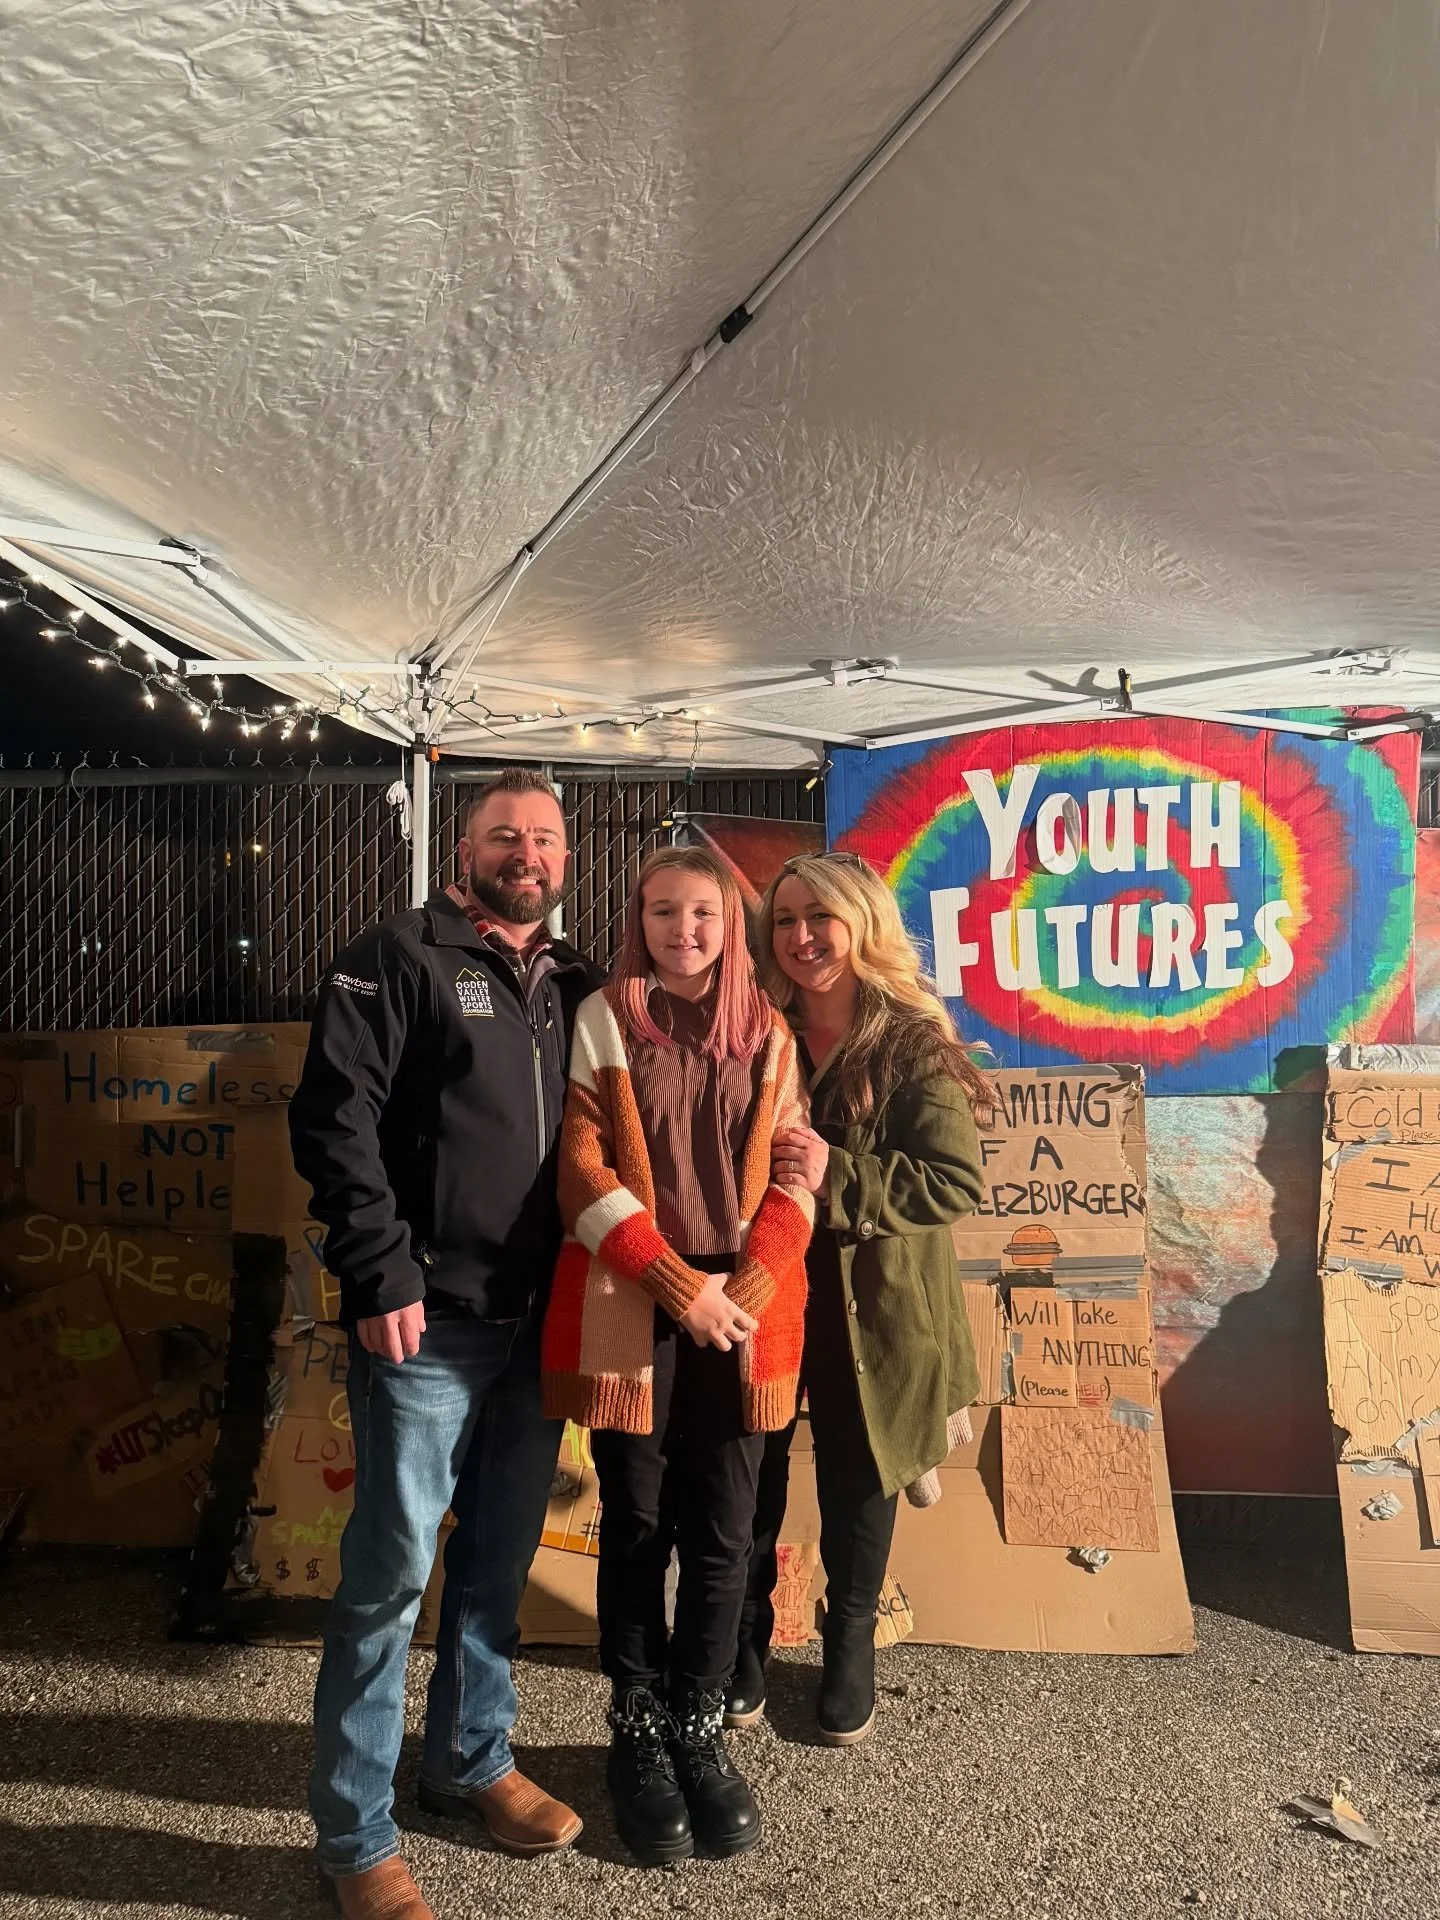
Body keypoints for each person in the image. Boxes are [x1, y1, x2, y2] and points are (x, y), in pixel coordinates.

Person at [289, 767, 602, 1920]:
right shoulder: (398, 956)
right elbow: (334, 1120)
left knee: (496, 1563)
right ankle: (354, 1837)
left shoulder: (579, 980)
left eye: (546, 839)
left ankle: (471, 1761)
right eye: (503, 834)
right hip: (425, 1324)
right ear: (462, 849)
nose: (527, 853)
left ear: (568, 861)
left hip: (543, 1321)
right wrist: (379, 1271)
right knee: (388, 1578)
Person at [540, 846, 814, 1866]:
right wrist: (677, 1287)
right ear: (639, 918)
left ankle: (701, 1729)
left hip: (746, 1313)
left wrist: (734, 1295)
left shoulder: (773, 1035)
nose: (682, 929)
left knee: (727, 1527)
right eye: (663, 911)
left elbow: (796, 1180)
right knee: (639, 1521)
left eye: (702, 912)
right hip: (634, 1295)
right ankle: (637, 1728)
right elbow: (580, 1171)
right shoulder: (605, 1018)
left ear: (728, 924)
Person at [729, 851, 992, 1747]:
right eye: (786, 920)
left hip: (873, 1307)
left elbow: (954, 1181)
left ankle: (850, 1643)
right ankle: (745, 1639)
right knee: (750, 1467)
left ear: (862, 924)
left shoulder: (909, 1039)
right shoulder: (758, 1028)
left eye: (820, 918)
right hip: (768, 1292)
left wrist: (840, 1174)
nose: (801, 938)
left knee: (858, 1472)